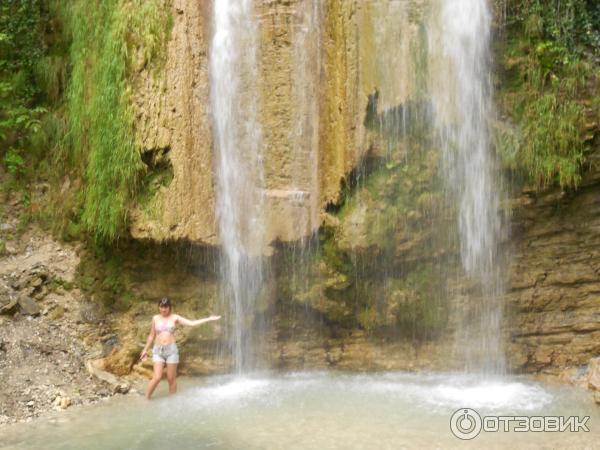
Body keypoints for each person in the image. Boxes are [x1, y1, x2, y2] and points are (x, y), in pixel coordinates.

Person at [140, 297, 221, 400]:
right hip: (158, 350)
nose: (163, 309)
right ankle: (146, 399)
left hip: (171, 351)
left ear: (170, 307)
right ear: (159, 307)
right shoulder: (155, 318)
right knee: (157, 377)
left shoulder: (175, 318)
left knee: (171, 378)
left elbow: (191, 323)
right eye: (161, 307)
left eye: (166, 307)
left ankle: (172, 402)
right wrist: (145, 349)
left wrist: (208, 319)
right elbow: (151, 335)